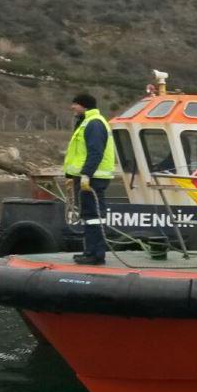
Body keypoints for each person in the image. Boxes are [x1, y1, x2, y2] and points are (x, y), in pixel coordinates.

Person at [64, 93, 115, 265]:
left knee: (94, 216)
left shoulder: (94, 123)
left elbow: (95, 152)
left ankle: (96, 254)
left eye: (75, 104)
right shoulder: (87, 122)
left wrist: (86, 174)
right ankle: (90, 252)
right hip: (88, 177)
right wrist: (72, 176)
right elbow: (80, 154)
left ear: (84, 106)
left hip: (93, 178)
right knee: (89, 215)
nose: (72, 107)